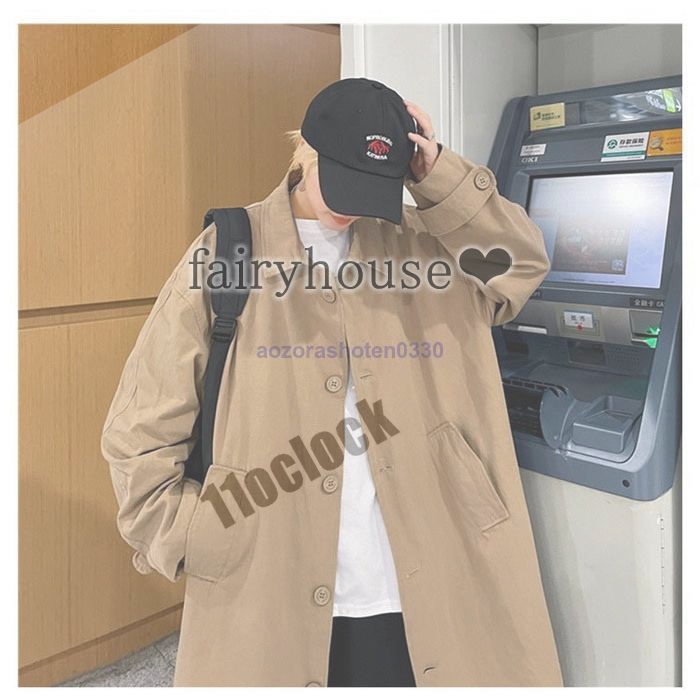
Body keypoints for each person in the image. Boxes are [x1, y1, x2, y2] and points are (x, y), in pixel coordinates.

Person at [101, 77, 563, 687]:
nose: (353, 206)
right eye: (342, 180)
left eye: (375, 187)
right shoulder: (228, 253)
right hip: (265, 571)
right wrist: (192, 533)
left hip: (433, 565)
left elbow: (520, 267)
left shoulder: (428, 246)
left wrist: (440, 177)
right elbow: (140, 428)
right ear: (307, 150)